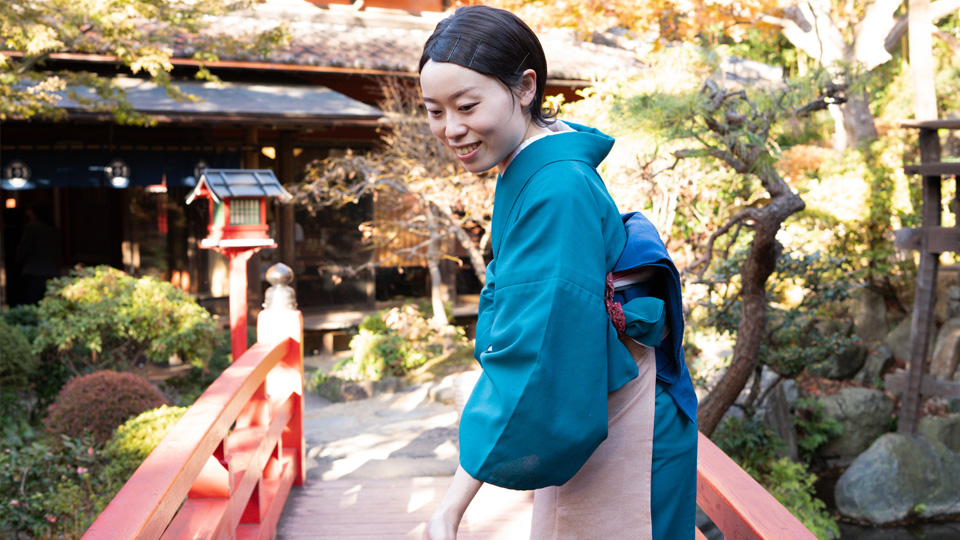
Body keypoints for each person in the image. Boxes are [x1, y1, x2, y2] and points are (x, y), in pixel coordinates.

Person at [418, 6, 699, 540]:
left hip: (627, 422)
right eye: (434, 111)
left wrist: (451, 507)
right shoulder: (540, 164)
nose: (450, 128)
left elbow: (537, 350)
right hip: (605, 404)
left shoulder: (556, 188)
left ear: (526, 87)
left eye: (467, 106)